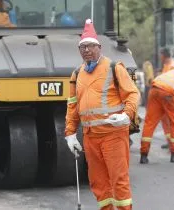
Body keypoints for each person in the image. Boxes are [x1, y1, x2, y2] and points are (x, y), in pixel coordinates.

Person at [64, 19, 139, 210]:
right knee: (98, 182)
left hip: (113, 135)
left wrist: (127, 114)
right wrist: (70, 134)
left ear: (99, 47)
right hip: (90, 137)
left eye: (90, 46)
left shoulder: (114, 68)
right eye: (82, 47)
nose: (86, 50)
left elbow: (132, 93)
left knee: (118, 180)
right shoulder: (77, 74)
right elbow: (73, 105)